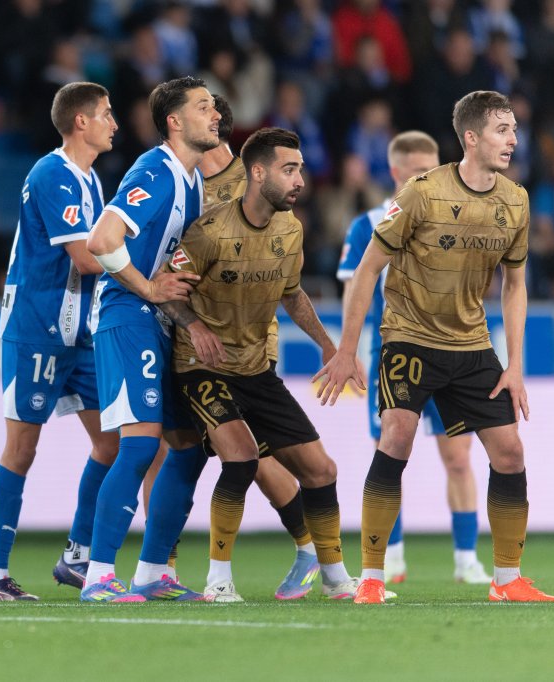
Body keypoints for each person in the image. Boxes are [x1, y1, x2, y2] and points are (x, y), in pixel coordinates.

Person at [315, 90, 554, 603]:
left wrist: (515, 366)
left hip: (471, 343)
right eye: (501, 130)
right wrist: (345, 349)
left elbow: (515, 286)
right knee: (397, 440)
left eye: (514, 130)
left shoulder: (516, 200)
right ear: (470, 138)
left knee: (510, 452)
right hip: (408, 338)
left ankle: (505, 579)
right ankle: (375, 579)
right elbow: (366, 270)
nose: (513, 139)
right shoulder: (422, 193)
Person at [159, 127, 369, 602]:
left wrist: (328, 345)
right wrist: (195, 326)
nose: (299, 180)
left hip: (255, 369)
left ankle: (335, 576)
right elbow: (167, 289)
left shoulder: (290, 228)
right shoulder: (209, 231)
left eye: (299, 169)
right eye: (288, 169)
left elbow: (292, 295)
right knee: (240, 457)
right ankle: (218, 580)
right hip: (201, 367)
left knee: (322, 470)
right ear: (257, 173)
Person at [0, 82, 121, 601]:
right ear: (80, 121)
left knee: (112, 442)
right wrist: (142, 272)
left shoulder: (88, 179)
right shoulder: (53, 174)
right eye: (106, 114)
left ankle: (78, 557)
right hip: (37, 328)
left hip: (79, 333)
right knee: (21, 448)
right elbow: (84, 258)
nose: (114, 123)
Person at [80, 76, 216, 602]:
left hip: (158, 321)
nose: (216, 115)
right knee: (137, 446)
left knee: (187, 448)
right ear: (175, 122)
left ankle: (153, 571)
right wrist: (151, 288)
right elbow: (101, 241)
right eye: (203, 107)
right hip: (127, 315)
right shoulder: (155, 170)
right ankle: (97, 577)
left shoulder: (193, 179)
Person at [337, 130, 491, 585]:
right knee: (391, 453)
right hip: (395, 353)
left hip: (451, 353)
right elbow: (353, 289)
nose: (425, 176)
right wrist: (348, 349)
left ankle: (467, 560)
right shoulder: (368, 221)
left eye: (431, 167)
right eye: (416, 169)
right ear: (396, 171)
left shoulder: (457, 215)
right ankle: (392, 557)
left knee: (460, 459)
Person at [191, 96, 320, 602]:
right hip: (191, 341)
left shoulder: (248, 182)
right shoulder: (175, 177)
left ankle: (308, 549)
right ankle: (161, 569)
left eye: (211, 120)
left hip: (245, 350)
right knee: (186, 452)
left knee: (248, 457)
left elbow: (286, 284)